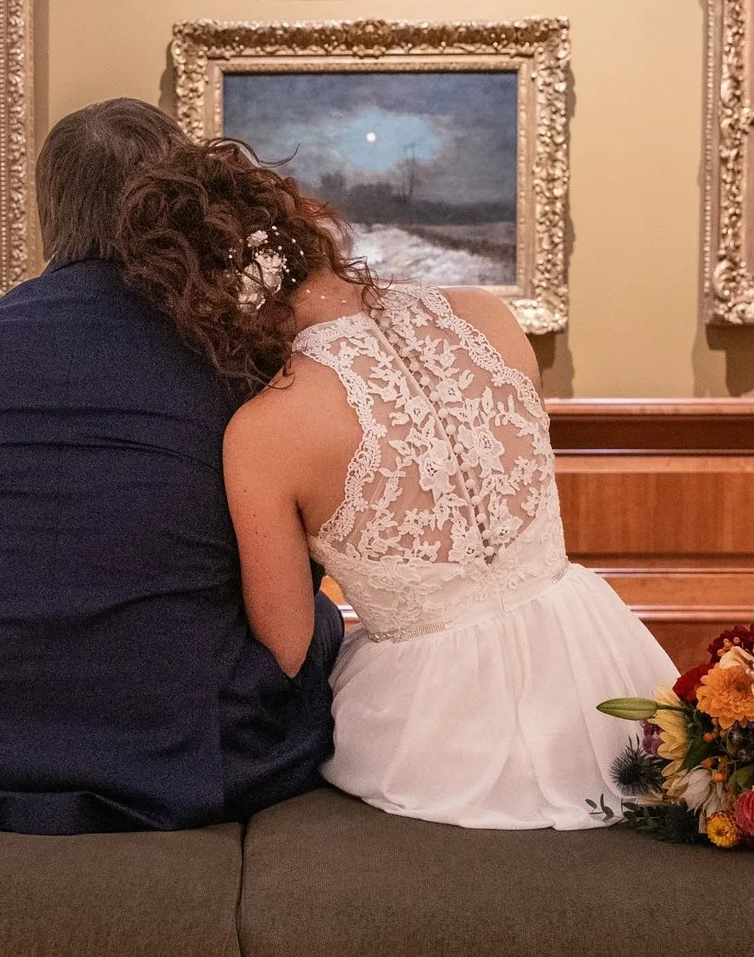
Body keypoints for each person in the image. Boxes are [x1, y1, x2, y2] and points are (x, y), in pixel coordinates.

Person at [0, 99, 343, 834]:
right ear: (179, 203)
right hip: (180, 751)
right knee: (325, 633)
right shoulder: (231, 358)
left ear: (48, 210)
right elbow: (284, 591)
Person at [213, 152, 678, 830]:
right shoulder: (489, 314)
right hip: (601, 668)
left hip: (435, 730)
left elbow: (285, 648)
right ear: (316, 229)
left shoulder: (263, 430)